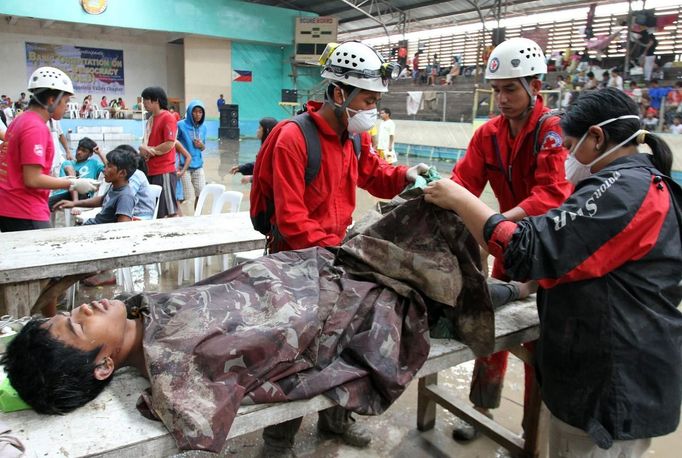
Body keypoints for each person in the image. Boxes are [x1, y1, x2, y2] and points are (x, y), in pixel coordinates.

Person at [425, 87, 682, 458]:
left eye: (571, 144)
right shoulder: (644, 182)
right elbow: (586, 261)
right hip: (615, 370)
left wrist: (462, 201)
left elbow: (532, 248)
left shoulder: (620, 191)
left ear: (596, 137)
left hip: (610, 391)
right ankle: (487, 408)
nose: (567, 156)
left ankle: (527, 431)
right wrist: (522, 287)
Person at [250, 40, 429, 456]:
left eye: (376, 101)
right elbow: (293, 221)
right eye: (367, 100)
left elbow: (376, 176)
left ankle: (335, 421)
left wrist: (407, 175)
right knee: (293, 352)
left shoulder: (353, 138)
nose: (373, 110)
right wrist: (343, 254)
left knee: (346, 342)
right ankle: (278, 439)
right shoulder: (292, 139)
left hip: (333, 254)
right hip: (292, 260)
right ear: (337, 94)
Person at [446, 37, 573, 442]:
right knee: (490, 329)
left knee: (539, 346)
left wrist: (494, 222)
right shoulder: (488, 135)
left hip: (548, 250)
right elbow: (462, 182)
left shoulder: (553, 130)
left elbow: (551, 195)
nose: (502, 98)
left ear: (536, 85)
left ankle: (530, 430)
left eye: (511, 88)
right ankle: (481, 409)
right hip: (505, 243)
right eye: (497, 90)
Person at [0, 67, 99, 234]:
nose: (67, 107)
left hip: (9, 205)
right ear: (52, 100)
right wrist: (73, 183)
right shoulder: (35, 127)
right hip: (24, 208)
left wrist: (66, 178)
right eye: (66, 102)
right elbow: (32, 179)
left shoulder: (21, 120)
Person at [54, 147, 137, 225]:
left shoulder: (125, 197)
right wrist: (74, 203)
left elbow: (123, 228)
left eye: (109, 166)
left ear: (122, 173)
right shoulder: (114, 186)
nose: (104, 169)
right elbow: (102, 200)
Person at [138, 86, 179, 218]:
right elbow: (147, 141)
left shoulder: (168, 117)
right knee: (156, 210)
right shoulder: (150, 120)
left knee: (170, 209)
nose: (144, 103)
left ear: (156, 100)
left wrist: (151, 151)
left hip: (164, 170)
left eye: (146, 100)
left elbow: (170, 143)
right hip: (151, 169)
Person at [48, 137, 106, 210]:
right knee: (45, 204)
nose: (79, 152)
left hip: (83, 194)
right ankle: (76, 202)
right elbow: (70, 174)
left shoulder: (94, 163)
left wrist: (100, 153)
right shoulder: (68, 163)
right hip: (64, 194)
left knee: (81, 189)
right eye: (79, 149)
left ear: (90, 154)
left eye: (83, 151)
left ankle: (76, 203)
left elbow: (110, 169)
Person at [176, 100, 207, 207]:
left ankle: (197, 216)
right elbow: (172, 143)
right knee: (188, 198)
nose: (198, 114)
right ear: (190, 112)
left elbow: (203, 148)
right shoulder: (180, 125)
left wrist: (201, 145)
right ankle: (183, 218)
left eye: (200, 112)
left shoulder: (204, 127)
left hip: (198, 166)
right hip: (184, 167)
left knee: (201, 194)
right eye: (195, 111)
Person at [230, 117, 277, 184]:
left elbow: (272, 175)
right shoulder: (266, 147)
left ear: (267, 131)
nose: (257, 130)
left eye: (259, 128)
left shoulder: (273, 150)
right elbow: (260, 165)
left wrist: (252, 179)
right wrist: (242, 168)